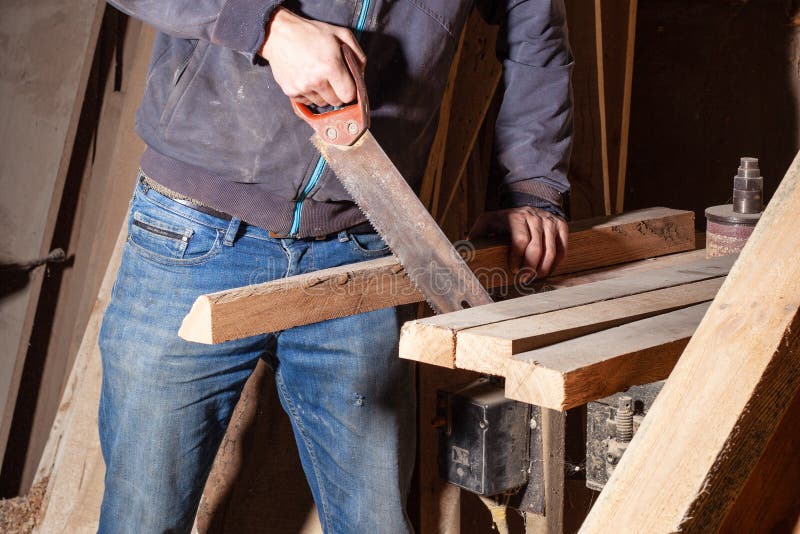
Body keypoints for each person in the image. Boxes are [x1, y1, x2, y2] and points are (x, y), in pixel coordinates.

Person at [97, 1, 572, 532]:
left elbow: (537, 38)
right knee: (142, 517)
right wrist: (266, 26)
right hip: (191, 234)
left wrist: (533, 185)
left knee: (377, 523)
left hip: (361, 248)